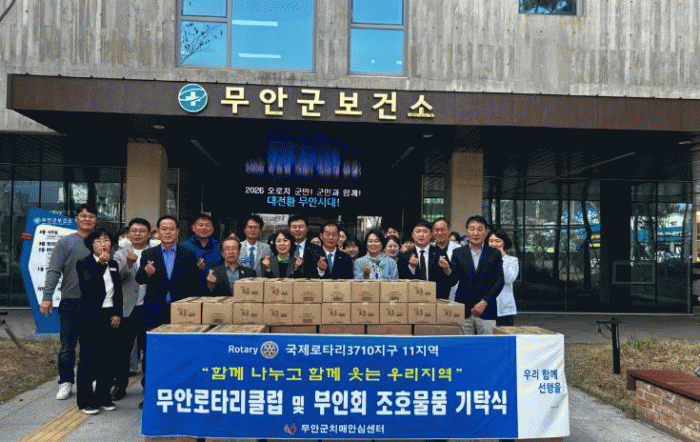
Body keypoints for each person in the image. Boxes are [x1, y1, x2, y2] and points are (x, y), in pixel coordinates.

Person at [135, 215, 200, 405]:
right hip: (155, 312)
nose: (168, 232)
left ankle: (178, 392)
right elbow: (139, 279)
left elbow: (194, 284)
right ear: (157, 232)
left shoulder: (187, 254)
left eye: (171, 229)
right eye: (164, 229)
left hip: (179, 313)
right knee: (152, 354)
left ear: (178, 232)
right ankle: (150, 394)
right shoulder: (149, 254)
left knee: (179, 352)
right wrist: (146, 273)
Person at [40, 204, 98, 401]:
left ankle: (91, 378)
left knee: (92, 344)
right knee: (67, 345)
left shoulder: (101, 242)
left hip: (96, 302)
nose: (87, 219)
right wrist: (47, 297)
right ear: (77, 219)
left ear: (96, 220)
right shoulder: (65, 242)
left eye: (91, 216)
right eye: (83, 216)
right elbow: (54, 270)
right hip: (71, 301)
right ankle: (65, 382)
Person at [75, 228, 122, 415]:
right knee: (88, 358)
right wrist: (101, 264)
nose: (103, 244)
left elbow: (117, 291)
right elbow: (89, 285)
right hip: (90, 316)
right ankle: (86, 400)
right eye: (98, 241)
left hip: (110, 315)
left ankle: (103, 396)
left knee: (108, 358)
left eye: (106, 240)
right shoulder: (83, 263)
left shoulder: (114, 264)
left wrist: (117, 313)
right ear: (91, 245)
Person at [111, 217, 151, 401]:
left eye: (142, 231)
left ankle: (148, 387)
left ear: (149, 233)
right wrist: (127, 263)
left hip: (148, 307)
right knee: (122, 349)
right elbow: (115, 280)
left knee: (148, 350)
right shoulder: (119, 254)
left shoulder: (155, 253)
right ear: (128, 234)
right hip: (127, 308)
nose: (137, 234)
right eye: (134, 231)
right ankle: (119, 385)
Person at [448, 215, 505, 335]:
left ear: (485, 233)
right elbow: (452, 280)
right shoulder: (458, 253)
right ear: (466, 231)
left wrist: (484, 302)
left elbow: (499, 281)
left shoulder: (494, 254)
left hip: (487, 309)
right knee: (464, 344)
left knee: (487, 345)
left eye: (480, 229)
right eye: (472, 229)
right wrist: (446, 269)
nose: (476, 233)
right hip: (464, 310)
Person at [397, 220, 452, 292]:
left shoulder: (440, 253)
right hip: (413, 295)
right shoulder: (405, 256)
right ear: (412, 234)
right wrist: (411, 267)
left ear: (431, 234)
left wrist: (446, 269)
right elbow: (401, 279)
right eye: (418, 231)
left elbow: (451, 280)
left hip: (436, 295)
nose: (421, 235)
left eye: (425, 231)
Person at [488, 230, 519, 326]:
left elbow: (509, 279)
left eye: (498, 241)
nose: (494, 244)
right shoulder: (483, 260)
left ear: (504, 243)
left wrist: (500, 259)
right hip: (486, 307)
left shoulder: (512, 260)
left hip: (505, 309)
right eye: (491, 241)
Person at [432, 218, 462, 300]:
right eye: (437, 230)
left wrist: (447, 268)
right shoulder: (429, 249)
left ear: (449, 231)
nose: (440, 233)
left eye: (442, 230)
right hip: (433, 294)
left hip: (453, 293)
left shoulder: (459, 249)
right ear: (432, 232)